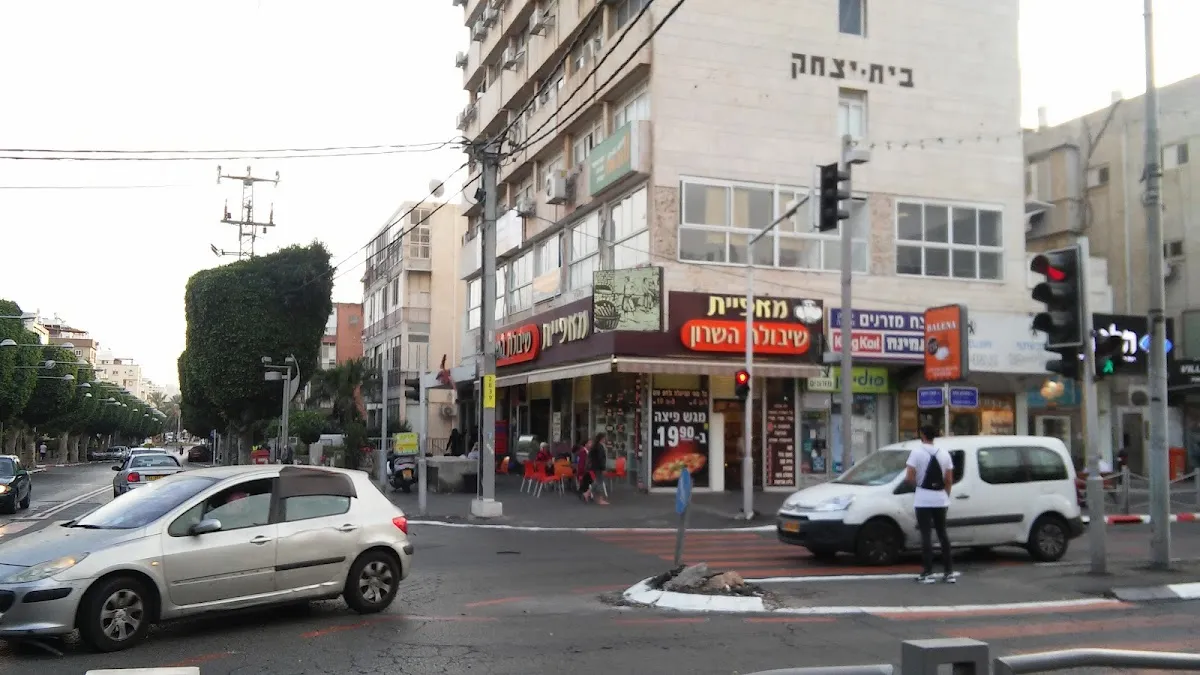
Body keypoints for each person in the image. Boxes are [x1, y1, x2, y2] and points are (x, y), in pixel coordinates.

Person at [905, 424, 957, 584]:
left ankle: (928, 572)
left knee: (926, 535)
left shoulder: (916, 452)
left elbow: (909, 477)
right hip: (940, 498)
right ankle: (949, 572)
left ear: (922, 435)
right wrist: (945, 495)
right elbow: (949, 479)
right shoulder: (944, 454)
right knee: (943, 534)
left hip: (923, 499)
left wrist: (918, 487)